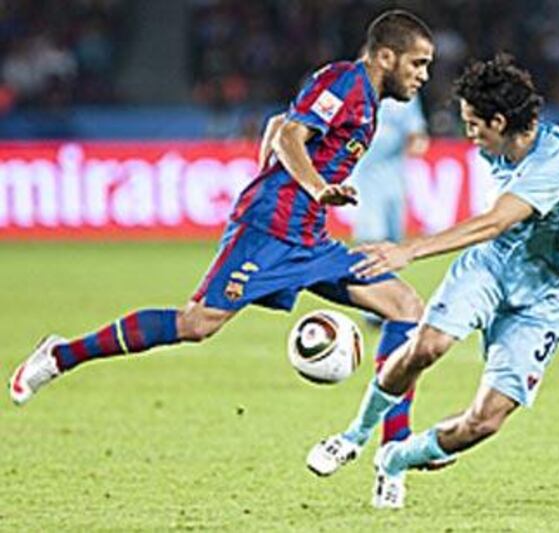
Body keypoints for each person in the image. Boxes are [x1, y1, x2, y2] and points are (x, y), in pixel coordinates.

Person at [8, 10, 435, 450]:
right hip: (267, 233)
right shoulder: (346, 82)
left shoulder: (366, 98)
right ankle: (60, 356)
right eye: (418, 63)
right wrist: (311, 189)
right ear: (386, 56)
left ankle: (393, 446)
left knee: (404, 305)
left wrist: (288, 189)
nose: (423, 75)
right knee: (196, 325)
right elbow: (289, 135)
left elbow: (274, 126)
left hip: (310, 238)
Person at [306, 54, 559, 509]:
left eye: (473, 124)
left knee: (484, 422)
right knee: (427, 346)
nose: (468, 134)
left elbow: (495, 221)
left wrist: (409, 249)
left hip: (549, 295)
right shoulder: (497, 147)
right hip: (492, 267)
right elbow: (494, 236)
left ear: (500, 121)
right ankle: (353, 435)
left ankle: (395, 458)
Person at [349, 95, 429, 245]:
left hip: (393, 171)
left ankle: (386, 266)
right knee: (371, 236)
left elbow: (416, 132)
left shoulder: (406, 92)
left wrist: (418, 140)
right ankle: (368, 264)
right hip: (367, 171)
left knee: (393, 237)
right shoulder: (359, 88)